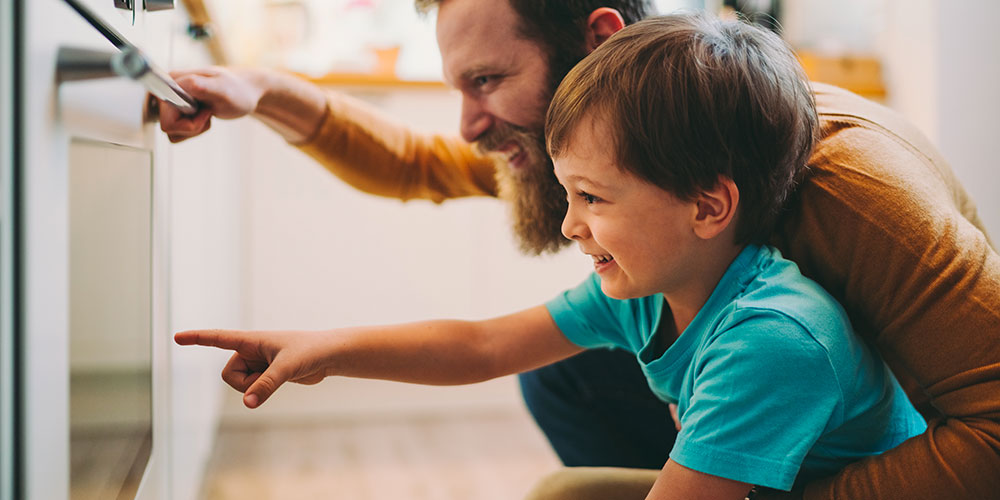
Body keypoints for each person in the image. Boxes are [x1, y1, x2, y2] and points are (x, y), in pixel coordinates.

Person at [160, 0, 1000, 498]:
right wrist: (263, 91)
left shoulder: (843, 195)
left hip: (906, 456)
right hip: (774, 392)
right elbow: (441, 218)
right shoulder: (651, 159)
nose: (467, 125)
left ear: (595, 40)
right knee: (562, 370)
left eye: (487, 80)